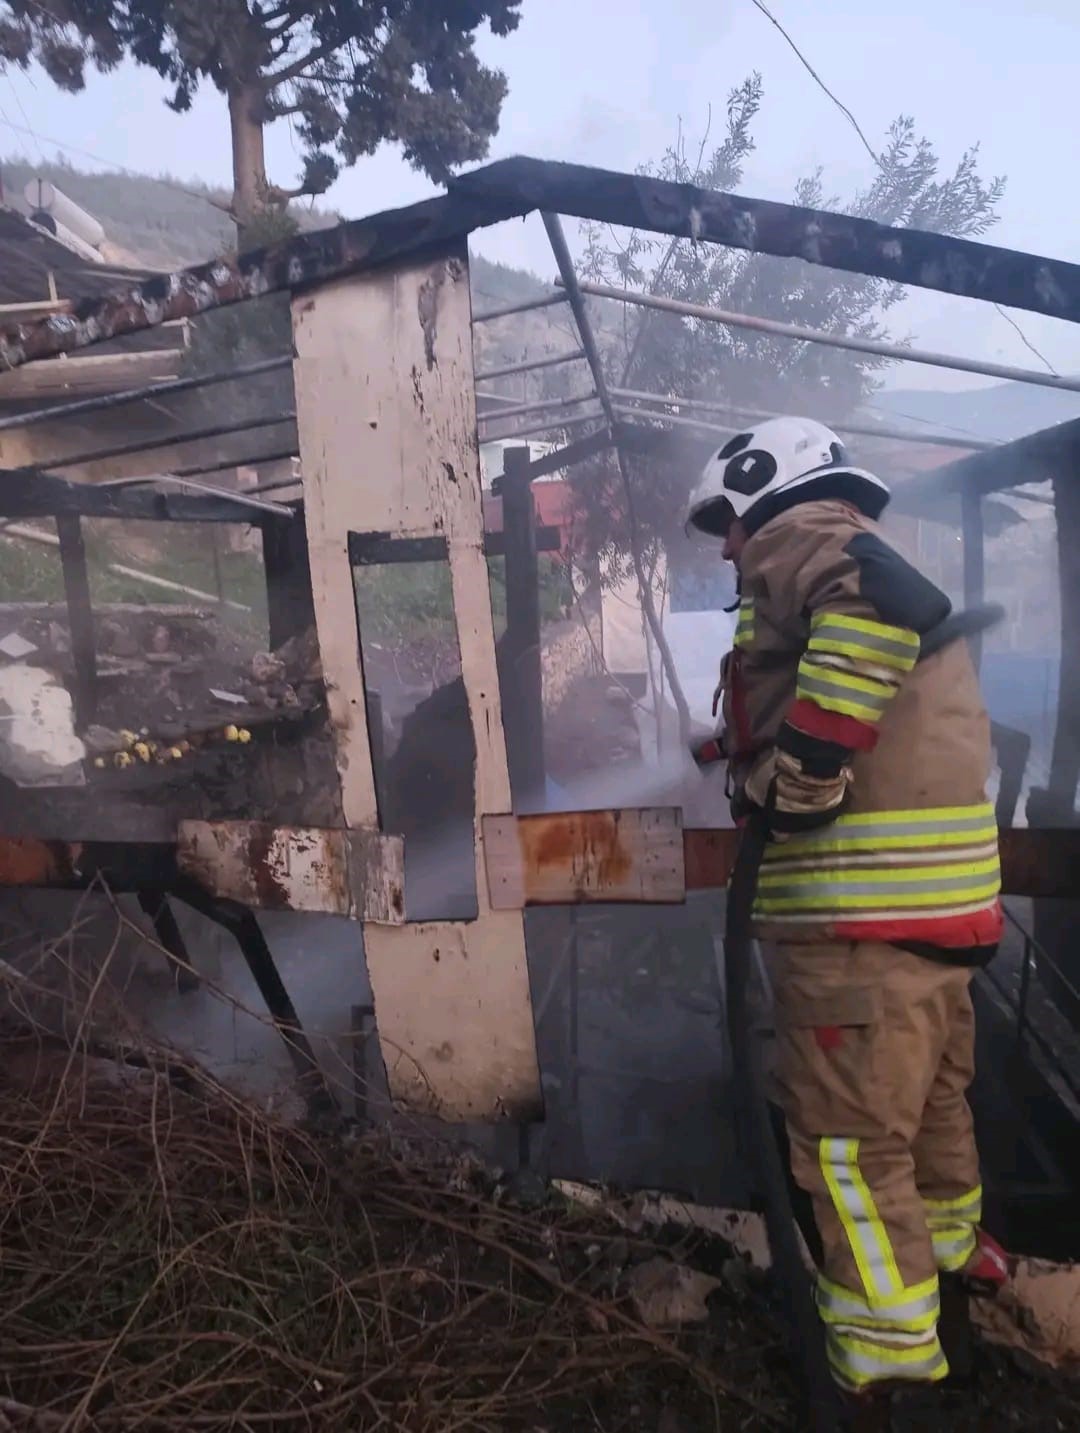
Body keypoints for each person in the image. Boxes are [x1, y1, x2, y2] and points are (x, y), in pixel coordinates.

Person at [685, 416, 1011, 1406]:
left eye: (725, 524)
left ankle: (884, 1357)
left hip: (854, 928)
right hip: (934, 922)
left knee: (845, 1143)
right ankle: (952, 1265)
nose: (730, 548)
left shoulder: (805, 536)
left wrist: (810, 768)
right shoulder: (845, 537)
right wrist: (739, 747)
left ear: (761, 489)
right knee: (926, 1108)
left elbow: (881, 610)